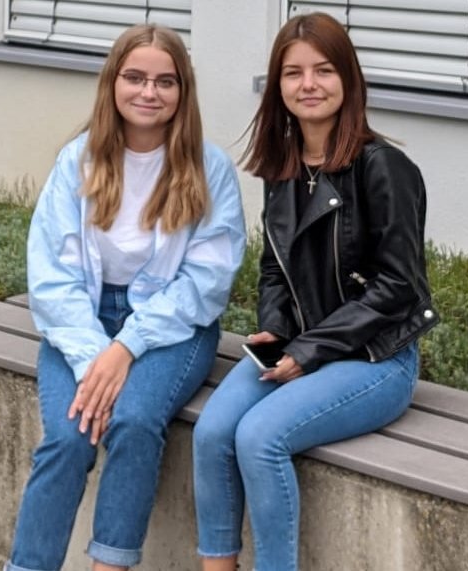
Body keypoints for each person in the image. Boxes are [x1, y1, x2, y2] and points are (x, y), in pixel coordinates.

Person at [192, 12, 439, 571]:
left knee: (259, 438)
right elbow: (274, 268)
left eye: (324, 70)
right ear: (277, 86)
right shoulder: (283, 166)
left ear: (348, 79)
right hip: (300, 347)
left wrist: (308, 350)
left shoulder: (384, 168)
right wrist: (275, 328)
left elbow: (400, 287)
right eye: (293, 72)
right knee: (212, 433)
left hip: (375, 359)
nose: (309, 84)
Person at [7, 24, 246, 571]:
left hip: (174, 328)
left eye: (165, 81)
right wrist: (97, 356)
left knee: (134, 420)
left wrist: (127, 347)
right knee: (70, 436)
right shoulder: (78, 161)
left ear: (183, 90)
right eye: (135, 77)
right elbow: (52, 279)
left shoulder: (209, 170)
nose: (149, 92)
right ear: (112, 82)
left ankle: (110, 565)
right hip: (80, 321)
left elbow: (205, 283)